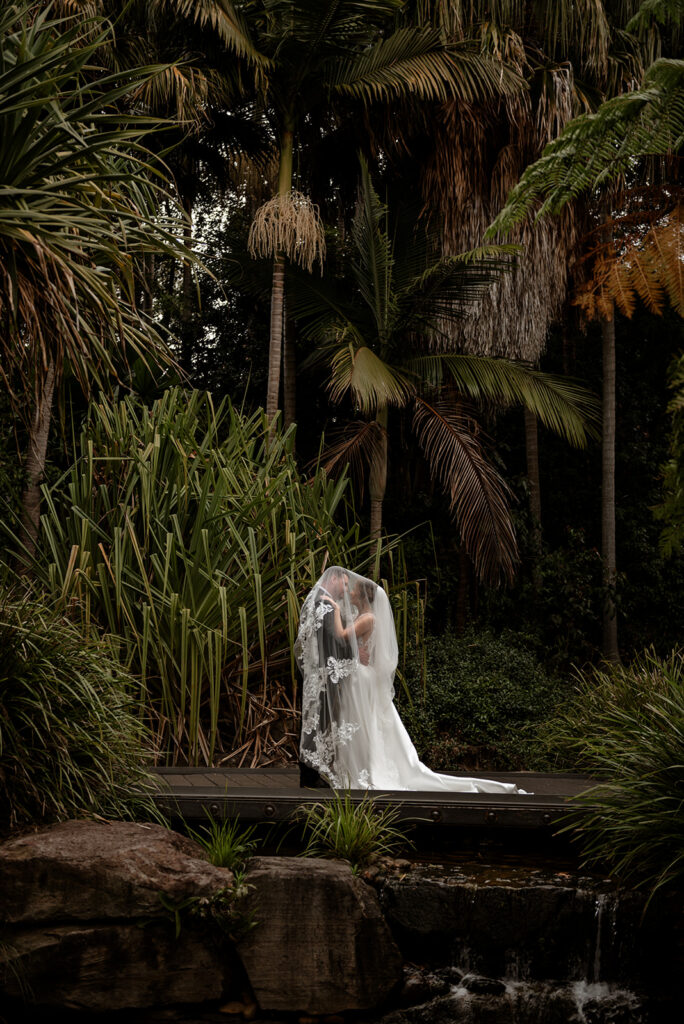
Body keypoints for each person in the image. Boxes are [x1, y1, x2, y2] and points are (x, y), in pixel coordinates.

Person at [295, 566, 530, 794]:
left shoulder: (364, 617)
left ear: (364, 596)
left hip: (359, 676)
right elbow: (350, 642)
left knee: (362, 723)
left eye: (353, 589)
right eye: (347, 587)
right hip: (354, 673)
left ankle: (363, 769)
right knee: (360, 723)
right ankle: (352, 769)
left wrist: (337, 615)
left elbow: (345, 637)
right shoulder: (356, 614)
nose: (349, 592)